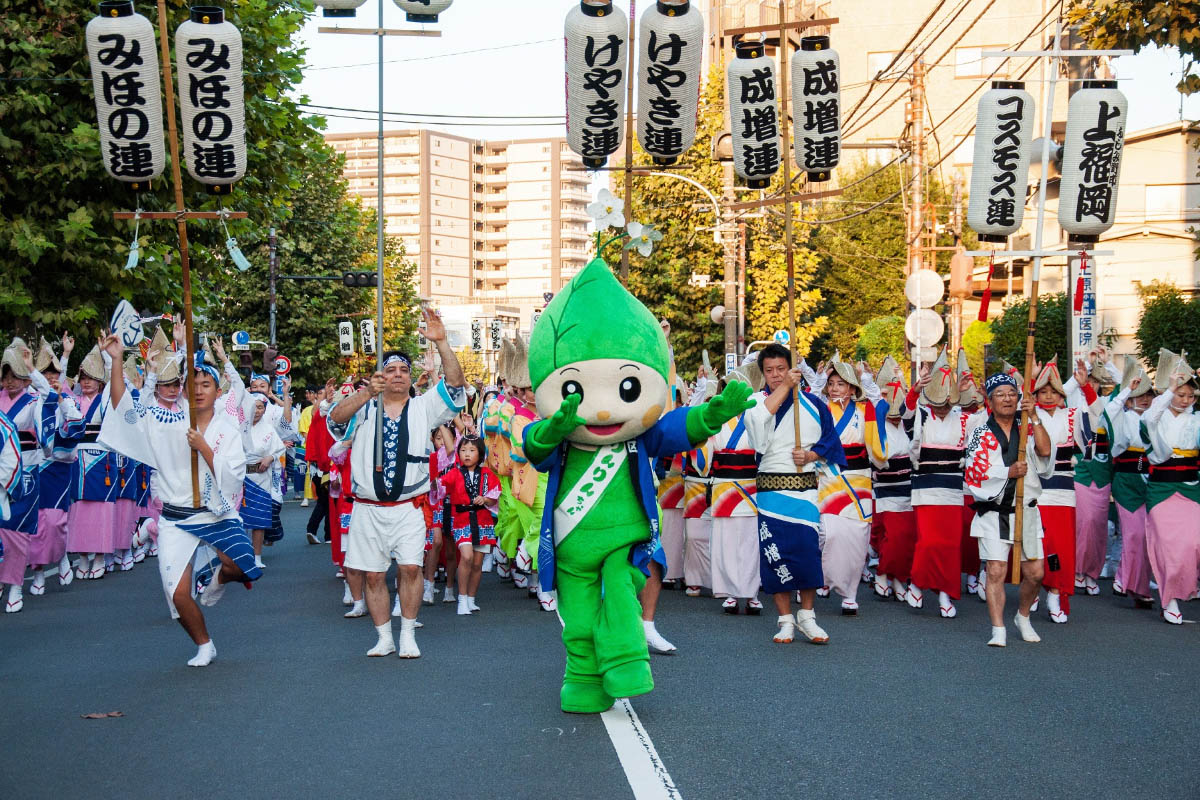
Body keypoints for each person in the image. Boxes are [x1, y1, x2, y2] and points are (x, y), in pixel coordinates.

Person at [99, 335, 262, 667]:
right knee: (177, 593)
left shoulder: (227, 430)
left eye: (206, 384)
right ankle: (204, 645)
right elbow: (124, 411)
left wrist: (204, 447)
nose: (199, 390)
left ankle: (217, 579)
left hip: (215, 513)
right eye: (193, 385)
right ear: (184, 391)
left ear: (218, 390)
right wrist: (115, 360)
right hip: (176, 517)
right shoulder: (166, 422)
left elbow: (233, 477)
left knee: (243, 564)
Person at [326, 307, 466, 659]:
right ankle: (383, 637)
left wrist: (442, 343)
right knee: (373, 576)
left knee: (410, 568)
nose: (398, 375)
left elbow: (455, 385)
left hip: (409, 507)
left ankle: (407, 634)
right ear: (380, 377)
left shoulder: (423, 407)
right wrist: (364, 394)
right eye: (391, 370)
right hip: (368, 508)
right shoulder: (364, 407)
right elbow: (335, 420)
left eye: (404, 370)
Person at [743, 343, 845, 644]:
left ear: (792, 368)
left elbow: (831, 442)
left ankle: (807, 616)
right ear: (763, 374)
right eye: (769, 371)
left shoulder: (813, 404)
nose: (776, 375)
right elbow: (759, 423)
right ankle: (785, 619)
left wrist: (811, 455)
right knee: (775, 554)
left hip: (804, 490)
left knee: (807, 554)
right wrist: (786, 388)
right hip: (770, 490)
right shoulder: (756, 401)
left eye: (781, 369)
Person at [964, 372, 1052, 646]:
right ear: (990, 401)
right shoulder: (980, 434)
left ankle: (1022, 616)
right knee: (996, 571)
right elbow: (974, 473)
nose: (1007, 399)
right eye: (1000, 394)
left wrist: (1034, 416)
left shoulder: (1027, 427)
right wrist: (1007, 471)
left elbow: (1045, 452)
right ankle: (998, 628)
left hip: (1026, 510)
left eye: (1012, 393)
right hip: (995, 512)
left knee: (1036, 573)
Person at [908, 350, 978, 618]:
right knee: (928, 542)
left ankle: (945, 593)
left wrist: (969, 394)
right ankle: (917, 582)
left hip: (952, 491)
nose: (942, 406)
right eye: (938, 399)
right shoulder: (921, 414)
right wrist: (916, 390)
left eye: (947, 400)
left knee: (950, 545)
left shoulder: (963, 418)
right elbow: (904, 415)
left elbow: (982, 422)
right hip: (925, 489)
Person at [1140, 353, 1200, 625]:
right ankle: (1169, 599)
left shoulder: (1196, 420)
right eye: (1180, 394)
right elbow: (1150, 418)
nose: (1185, 400)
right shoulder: (1156, 416)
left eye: (1190, 396)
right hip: (1161, 489)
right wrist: (1169, 390)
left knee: (1192, 545)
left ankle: (1182, 589)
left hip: (1190, 489)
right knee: (1166, 547)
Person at [1030, 357, 1090, 623]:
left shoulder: (1072, 415)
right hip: (1035, 491)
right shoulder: (1029, 416)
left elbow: (1094, 418)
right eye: (1043, 391)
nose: (1048, 396)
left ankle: (1054, 591)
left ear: (1061, 394)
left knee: (1059, 547)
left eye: (1054, 391)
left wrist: (1083, 385)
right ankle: (1033, 586)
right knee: (1037, 544)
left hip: (1063, 491)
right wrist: (1031, 379)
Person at [30, 334, 82, 594]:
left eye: (55, 373)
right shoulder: (28, 400)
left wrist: (60, 399)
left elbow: (75, 425)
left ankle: (61, 556)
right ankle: (38, 573)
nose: (51, 377)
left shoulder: (67, 399)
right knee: (34, 523)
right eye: (45, 373)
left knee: (55, 521)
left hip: (58, 466)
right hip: (33, 465)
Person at [1104, 358, 1155, 607]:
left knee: (1147, 537)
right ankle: (1124, 579)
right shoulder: (1122, 418)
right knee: (1133, 533)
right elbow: (1108, 412)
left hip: (1152, 482)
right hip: (1127, 481)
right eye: (1139, 395)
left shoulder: (1156, 418)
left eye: (1149, 395)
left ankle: (1140, 588)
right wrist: (1125, 391)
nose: (1145, 400)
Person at [66, 344, 119, 581]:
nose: (86, 382)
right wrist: (65, 356)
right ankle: (83, 556)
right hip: (77, 457)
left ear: (100, 381)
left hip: (101, 457)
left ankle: (99, 556)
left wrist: (107, 357)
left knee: (100, 509)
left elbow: (115, 384)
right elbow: (57, 388)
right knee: (79, 509)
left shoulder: (105, 400)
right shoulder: (73, 400)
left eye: (92, 378)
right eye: (83, 378)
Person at [871, 356, 917, 601]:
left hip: (908, 487)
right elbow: (877, 456)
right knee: (893, 536)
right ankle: (882, 572)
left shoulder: (908, 424)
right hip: (886, 487)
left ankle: (898, 576)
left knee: (908, 537)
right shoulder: (876, 423)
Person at [440, 434, 499, 615]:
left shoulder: (487, 474)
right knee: (466, 557)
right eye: (463, 450)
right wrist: (432, 482)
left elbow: (495, 495)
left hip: (482, 520)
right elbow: (440, 486)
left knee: (477, 563)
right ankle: (462, 599)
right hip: (462, 520)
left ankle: (471, 599)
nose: (467, 454)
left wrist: (486, 499)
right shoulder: (454, 473)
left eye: (472, 450)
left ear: (480, 454)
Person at [241, 392, 285, 570]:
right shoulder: (237, 426)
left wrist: (270, 458)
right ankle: (240, 555)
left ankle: (257, 556)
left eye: (260, 407)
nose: (257, 411)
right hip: (239, 478)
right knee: (238, 518)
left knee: (259, 519)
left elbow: (279, 449)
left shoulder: (268, 429)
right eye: (253, 407)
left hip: (261, 478)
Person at [305, 381, 334, 545]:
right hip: (322, 463)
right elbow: (317, 410)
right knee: (328, 499)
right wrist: (325, 400)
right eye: (323, 393)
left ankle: (317, 531)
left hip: (329, 461)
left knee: (327, 500)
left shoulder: (335, 413)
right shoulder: (317, 413)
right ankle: (327, 534)